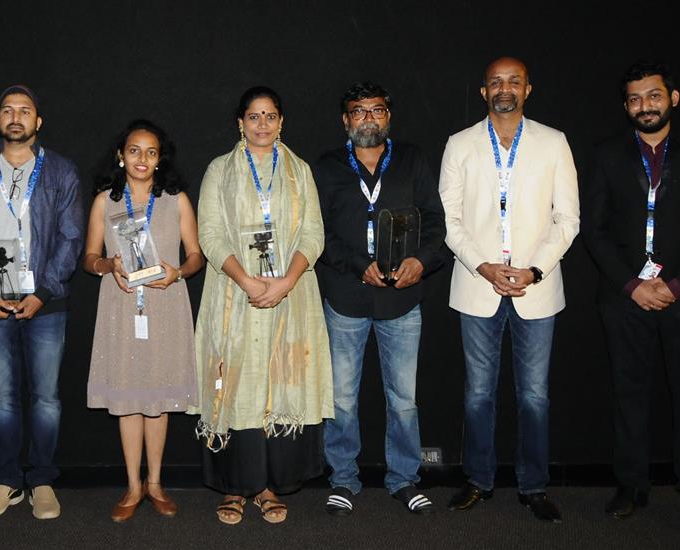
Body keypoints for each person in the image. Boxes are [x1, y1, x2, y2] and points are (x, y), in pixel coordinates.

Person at [583, 61, 680, 532]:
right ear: (625, 105)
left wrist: (675, 284)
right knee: (629, 395)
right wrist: (633, 285)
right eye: (634, 99)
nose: (644, 106)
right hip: (624, 297)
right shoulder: (606, 155)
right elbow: (595, 229)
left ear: (673, 98)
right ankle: (632, 485)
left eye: (652, 96)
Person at [438, 57, 579, 523]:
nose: (505, 88)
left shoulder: (554, 143)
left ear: (528, 89)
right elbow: (450, 220)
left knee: (534, 396)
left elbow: (567, 219)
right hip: (478, 285)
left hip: (535, 288)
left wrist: (534, 269)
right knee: (478, 393)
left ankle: (534, 486)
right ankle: (478, 480)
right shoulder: (459, 145)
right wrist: (483, 266)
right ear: (483, 92)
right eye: (496, 82)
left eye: (513, 81)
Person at [192, 86, 333, 525]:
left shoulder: (300, 170)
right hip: (234, 295)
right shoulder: (220, 170)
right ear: (240, 123)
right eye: (253, 116)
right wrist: (248, 281)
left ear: (281, 122)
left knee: (279, 381)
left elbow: (314, 233)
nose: (262, 124)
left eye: (270, 116)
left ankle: (270, 487)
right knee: (235, 387)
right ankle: (235, 489)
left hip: (291, 298)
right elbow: (210, 235)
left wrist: (286, 281)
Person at [313, 81, 447, 516]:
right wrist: (357, 263)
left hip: (402, 298)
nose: (367, 118)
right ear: (345, 120)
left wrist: (421, 263)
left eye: (376, 110)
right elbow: (318, 235)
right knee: (342, 398)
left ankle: (404, 479)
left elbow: (436, 223)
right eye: (358, 111)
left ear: (389, 116)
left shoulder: (412, 159)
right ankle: (344, 480)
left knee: (403, 398)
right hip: (346, 297)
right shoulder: (329, 166)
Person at [0, 85, 83, 521]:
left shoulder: (62, 172)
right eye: (7, 110)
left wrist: (42, 292)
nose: (16, 117)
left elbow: (70, 238)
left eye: (25, 111)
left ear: (37, 122)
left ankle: (42, 480)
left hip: (45, 303)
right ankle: (8, 480)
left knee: (46, 397)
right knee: (1, 399)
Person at [83, 120, 204, 522]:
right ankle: (133, 486)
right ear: (121, 154)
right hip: (120, 305)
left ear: (160, 158)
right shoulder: (105, 201)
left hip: (165, 303)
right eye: (134, 150)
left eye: (151, 152)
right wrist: (107, 265)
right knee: (128, 397)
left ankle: (155, 483)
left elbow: (196, 255)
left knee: (157, 400)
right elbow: (88, 258)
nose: (142, 159)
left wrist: (179, 273)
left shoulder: (176, 199)